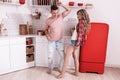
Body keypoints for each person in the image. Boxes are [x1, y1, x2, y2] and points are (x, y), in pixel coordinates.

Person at [57, 9, 91, 78]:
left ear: (82, 15)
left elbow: (80, 35)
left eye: (79, 14)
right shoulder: (83, 23)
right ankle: (76, 72)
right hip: (76, 42)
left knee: (66, 58)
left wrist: (76, 44)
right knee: (75, 57)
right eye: (77, 14)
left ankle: (62, 74)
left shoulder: (81, 23)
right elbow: (80, 34)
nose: (77, 16)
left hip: (74, 42)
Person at [45, 2, 71, 74]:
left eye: (56, 12)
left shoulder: (61, 16)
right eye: (53, 13)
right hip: (51, 41)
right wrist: (47, 36)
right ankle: (50, 68)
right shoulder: (48, 20)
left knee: (62, 56)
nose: (55, 14)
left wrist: (62, 5)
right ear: (50, 12)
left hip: (60, 40)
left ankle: (59, 67)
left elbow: (69, 10)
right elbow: (46, 30)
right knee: (50, 56)